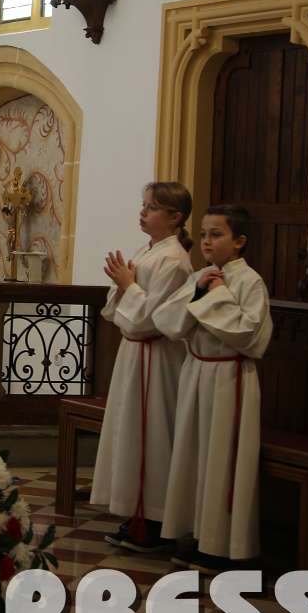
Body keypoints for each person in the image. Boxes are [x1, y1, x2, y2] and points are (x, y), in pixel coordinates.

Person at [154, 205, 274, 572]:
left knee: (223, 460)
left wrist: (215, 296)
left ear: (239, 241)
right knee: (193, 457)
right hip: (196, 371)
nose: (206, 241)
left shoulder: (250, 281)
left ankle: (224, 545)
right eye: (204, 234)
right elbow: (167, 322)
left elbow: (250, 336)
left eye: (216, 234)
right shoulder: (200, 275)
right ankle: (195, 533)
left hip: (229, 378)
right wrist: (197, 293)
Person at [92, 183, 195, 553]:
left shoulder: (175, 261)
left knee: (152, 436)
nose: (143, 212)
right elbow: (117, 309)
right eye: (144, 205)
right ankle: (137, 512)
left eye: (152, 207)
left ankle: (155, 520)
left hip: (156, 357)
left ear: (175, 217)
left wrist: (128, 285)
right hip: (134, 354)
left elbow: (153, 317)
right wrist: (122, 286)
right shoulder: (148, 250)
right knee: (131, 432)